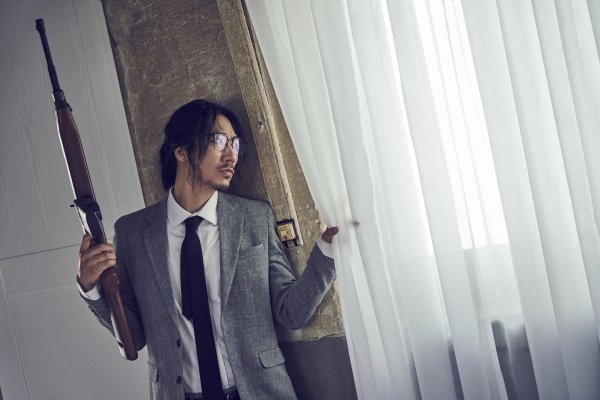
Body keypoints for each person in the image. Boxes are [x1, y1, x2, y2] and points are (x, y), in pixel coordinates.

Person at [77, 99, 339, 400]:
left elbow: (290, 313)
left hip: (259, 392)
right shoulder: (132, 232)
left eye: (235, 144)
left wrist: (328, 253)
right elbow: (132, 338)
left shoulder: (254, 218)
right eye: (219, 141)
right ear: (181, 151)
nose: (232, 155)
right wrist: (91, 289)